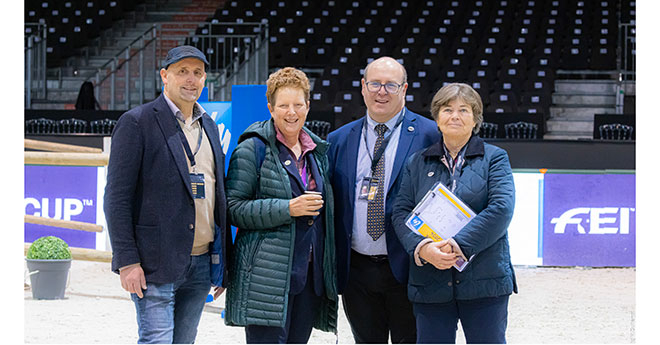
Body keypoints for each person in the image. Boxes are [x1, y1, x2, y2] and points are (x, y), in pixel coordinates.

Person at [104, 45, 230, 344]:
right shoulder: (137, 122)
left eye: (197, 73)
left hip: (200, 263)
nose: (191, 79)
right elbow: (116, 198)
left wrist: (223, 262)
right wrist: (127, 261)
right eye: (182, 72)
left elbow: (217, 195)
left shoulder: (209, 125)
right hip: (153, 263)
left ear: (205, 79)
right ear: (165, 75)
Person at [392, 82, 518, 344]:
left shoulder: (495, 158)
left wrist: (458, 245)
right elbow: (401, 212)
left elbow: (501, 209)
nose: (455, 116)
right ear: (437, 119)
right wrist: (422, 248)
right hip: (430, 282)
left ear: (475, 119)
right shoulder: (417, 162)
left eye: (464, 110)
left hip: (485, 280)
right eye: (448, 110)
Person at [327, 56, 440, 343]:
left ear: (404, 90)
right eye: (375, 83)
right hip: (357, 272)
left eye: (391, 85)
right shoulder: (339, 139)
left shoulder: (429, 134)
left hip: (409, 266)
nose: (382, 92)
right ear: (363, 87)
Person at [224, 67, 338, 343]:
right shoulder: (252, 148)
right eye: (284, 105)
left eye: (298, 105)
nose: (292, 112)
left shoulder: (318, 151)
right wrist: (288, 208)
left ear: (308, 107)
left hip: (309, 278)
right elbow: (233, 208)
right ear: (270, 108)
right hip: (267, 279)